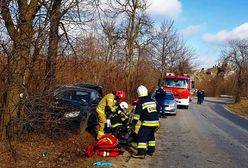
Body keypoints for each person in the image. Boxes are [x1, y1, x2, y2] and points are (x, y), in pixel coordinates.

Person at [131, 85, 160, 159]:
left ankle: (141, 153)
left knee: (141, 137)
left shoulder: (140, 102)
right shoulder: (152, 100)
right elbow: (157, 111)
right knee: (151, 136)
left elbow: (137, 116)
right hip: (156, 123)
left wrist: (133, 124)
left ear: (138, 93)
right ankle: (151, 151)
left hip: (147, 123)